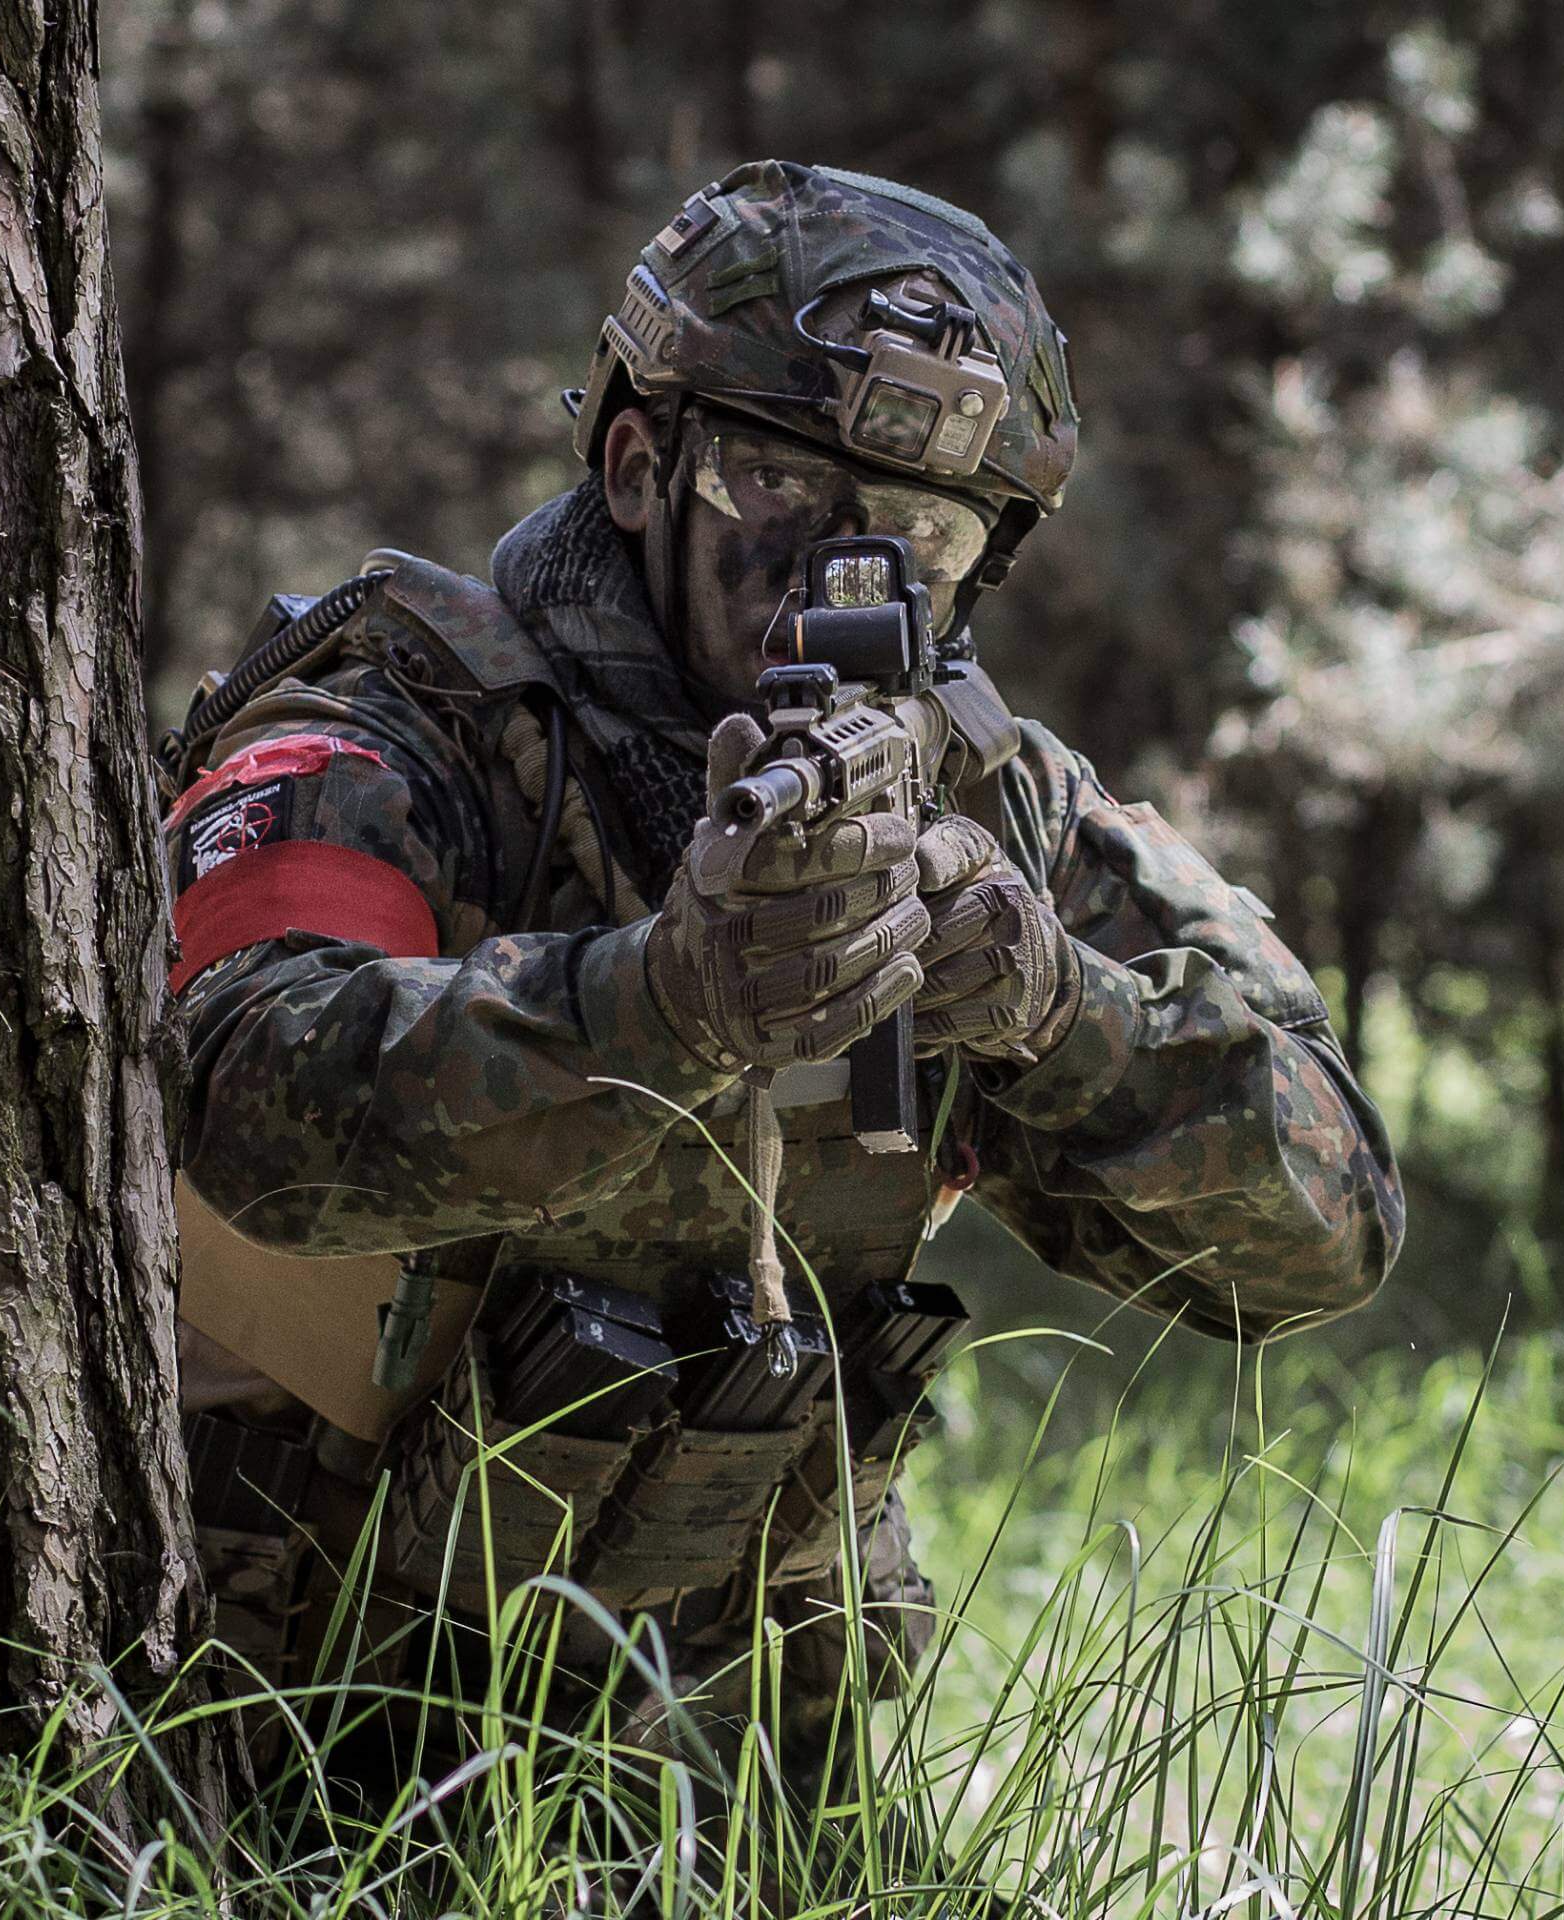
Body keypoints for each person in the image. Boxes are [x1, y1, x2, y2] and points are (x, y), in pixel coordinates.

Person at [159, 159, 1403, 1801]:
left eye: (925, 531)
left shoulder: (996, 805)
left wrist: (1054, 1016)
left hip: (752, 1771)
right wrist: (660, 1005)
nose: (851, 569)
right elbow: (240, 1099)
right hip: (310, 1731)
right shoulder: (404, 727)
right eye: (783, 489)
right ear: (633, 464)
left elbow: (1329, 1226)